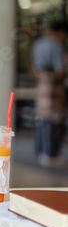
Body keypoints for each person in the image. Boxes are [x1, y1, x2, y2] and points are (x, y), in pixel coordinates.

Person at [32, 20, 67, 167]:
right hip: (55, 88)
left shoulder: (38, 43)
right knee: (54, 120)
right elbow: (60, 71)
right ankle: (50, 154)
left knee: (41, 119)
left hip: (42, 85)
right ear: (60, 32)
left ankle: (40, 152)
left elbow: (34, 67)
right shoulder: (57, 45)